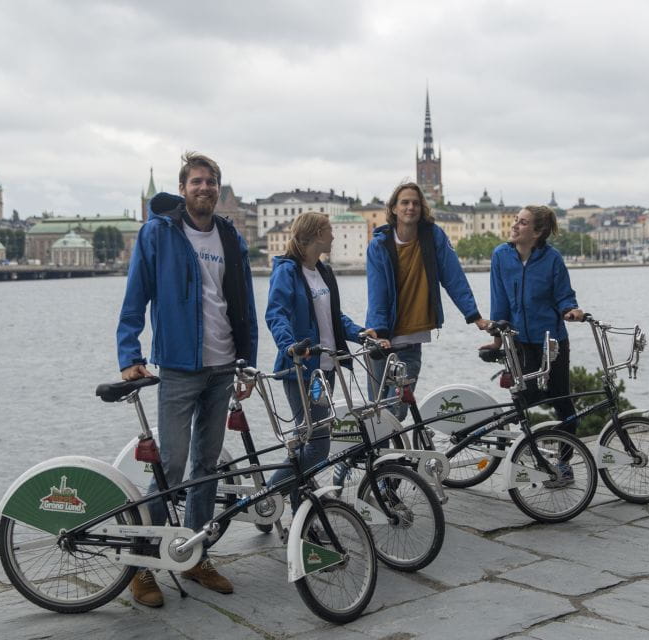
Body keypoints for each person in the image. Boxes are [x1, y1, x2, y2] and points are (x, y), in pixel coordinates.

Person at [116, 151, 258, 607]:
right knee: (171, 467)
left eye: (211, 182)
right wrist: (129, 354)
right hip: (178, 367)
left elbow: (245, 304)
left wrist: (248, 361)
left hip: (223, 367)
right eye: (196, 181)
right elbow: (136, 294)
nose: (205, 188)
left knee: (207, 467)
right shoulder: (159, 233)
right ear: (183, 189)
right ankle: (141, 564)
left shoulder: (230, 236)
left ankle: (193, 555)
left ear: (218, 188)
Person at [265, 213, 385, 508]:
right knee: (317, 446)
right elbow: (276, 313)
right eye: (330, 230)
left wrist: (361, 334)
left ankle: (294, 504)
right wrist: (289, 346)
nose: (334, 235)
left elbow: (334, 317)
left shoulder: (323, 271)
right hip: (302, 370)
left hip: (326, 370)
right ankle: (269, 498)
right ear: (317, 234)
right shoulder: (287, 271)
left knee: (309, 440)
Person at [365, 181, 490, 418]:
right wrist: (380, 334)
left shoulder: (433, 237)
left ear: (422, 208)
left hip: (412, 340)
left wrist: (474, 315)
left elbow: (454, 278)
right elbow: (377, 291)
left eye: (415, 203)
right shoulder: (379, 245)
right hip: (381, 340)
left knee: (397, 410)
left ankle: (393, 453)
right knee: (376, 411)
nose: (410, 207)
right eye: (405, 202)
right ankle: (379, 456)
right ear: (393, 208)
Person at [483, 204, 584, 484]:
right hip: (518, 341)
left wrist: (572, 310)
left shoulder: (552, 260)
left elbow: (564, 295)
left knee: (562, 402)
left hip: (551, 341)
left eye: (523, 222)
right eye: (516, 220)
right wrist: (496, 339)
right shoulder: (501, 256)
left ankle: (563, 464)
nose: (515, 226)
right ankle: (510, 440)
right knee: (524, 397)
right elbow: (499, 299)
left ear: (538, 232)